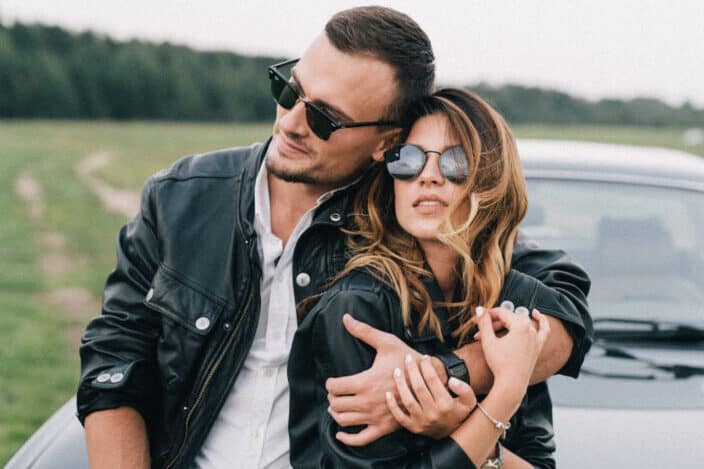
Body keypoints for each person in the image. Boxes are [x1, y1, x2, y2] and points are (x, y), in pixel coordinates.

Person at [77, 6, 591, 469]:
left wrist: (437, 374)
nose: (291, 122)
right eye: (289, 90)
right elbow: (115, 356)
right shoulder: (179, 197)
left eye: (325, 118)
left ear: (386, 143)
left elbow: (562, 312)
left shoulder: (411, 211)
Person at [289, 88, 558, 468]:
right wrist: (504, 394)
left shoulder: (508, 299)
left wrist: (466, 431)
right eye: (408, 160)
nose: (428, 176)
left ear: (491, 178)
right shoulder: (357, 307)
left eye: (455, 162)